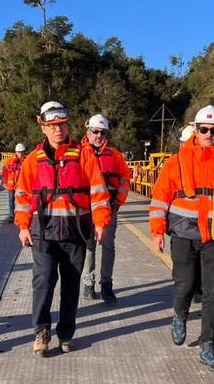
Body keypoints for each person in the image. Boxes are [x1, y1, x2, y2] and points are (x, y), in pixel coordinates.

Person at [149, 104, 214, 373]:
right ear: (196, 129)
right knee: (185, 285)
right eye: (204, 129)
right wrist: (157, 231)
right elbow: (160, 197)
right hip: (183, 235)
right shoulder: (178, 160)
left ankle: (208, 345)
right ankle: (179, 315)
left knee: (212, 293)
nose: (209, 134)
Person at [14, 101, 111, 357]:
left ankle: (66, 333)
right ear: (43, 128)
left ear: (68, 126)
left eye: (62, 125)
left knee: (71, 286)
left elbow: (99, 192)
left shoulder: (84, 155)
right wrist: (22, 226)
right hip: (43, 233)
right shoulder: (33, 160)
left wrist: (100, 222)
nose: (58, 130)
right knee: (43, 282)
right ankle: (41, 332)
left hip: (75, 231)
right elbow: (23, 195)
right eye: (52, 126)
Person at [80, 114, 131, 305]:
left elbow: (125, 178)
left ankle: (106, 285)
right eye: (95, 131)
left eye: (102, 132)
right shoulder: (78, 153)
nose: (99, 135)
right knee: (89, 246)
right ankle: (88, 283)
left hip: (109, 208)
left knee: (108, 246)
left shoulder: (115, 155)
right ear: (88, 132)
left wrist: (118, 201)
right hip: (85, 210)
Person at [179, 124, 202, 304]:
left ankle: (198, 289)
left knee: (199, 260)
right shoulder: (176, 164)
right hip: (182, 224)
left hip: (202, 222)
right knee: (187, 265)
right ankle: (192, 290)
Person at [2, 143, 27, 223]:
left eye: (22, 152)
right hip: (11, 185)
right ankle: (11, 216)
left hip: (22, 185)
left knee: (23, 201)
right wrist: (4, 182)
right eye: (18, 152)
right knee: (11, 200)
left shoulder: (27, 161)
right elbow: (4, 172)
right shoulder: (9, 162)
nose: (20, 154)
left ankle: (23, 216)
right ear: (16, 152)